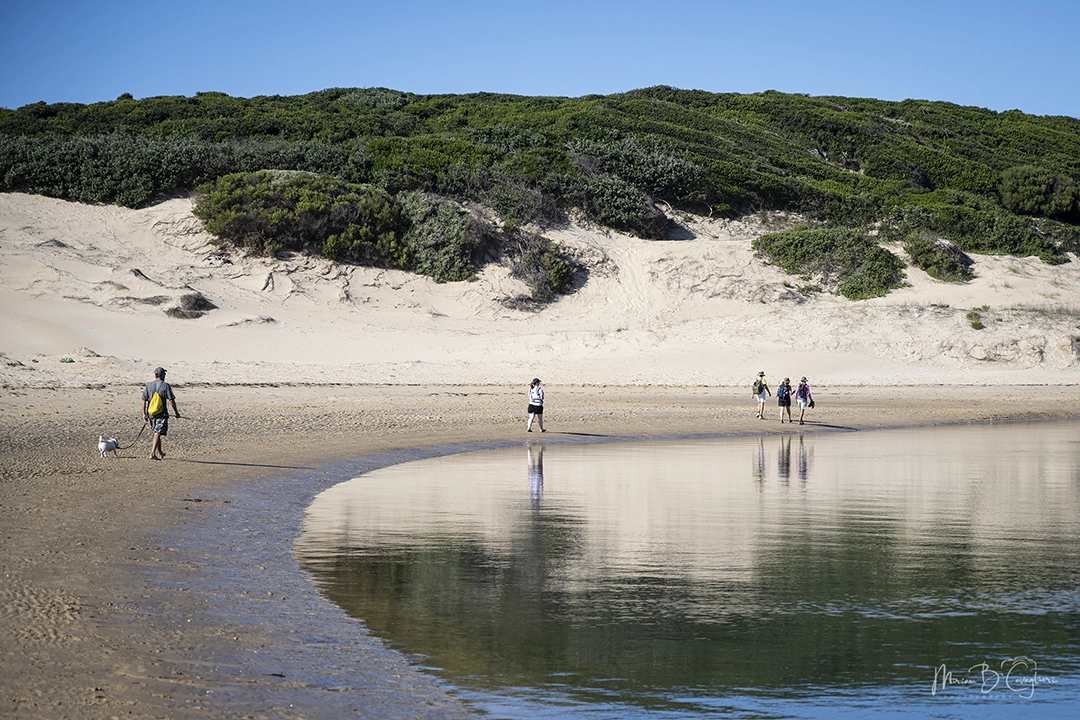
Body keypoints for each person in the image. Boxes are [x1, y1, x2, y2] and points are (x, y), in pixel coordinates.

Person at [142, 367, 180, 460]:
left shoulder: (149, 385)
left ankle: (160, 453)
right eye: (164, 374)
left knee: (156, 432)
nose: (165, 376)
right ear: (162, 375)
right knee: (157, 432)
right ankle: (152, 453)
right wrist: (176, 412)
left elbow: (143, 400)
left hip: (151, 414)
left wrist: (144, 414)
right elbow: (171, 400)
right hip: (162, 414)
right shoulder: (165, 386)